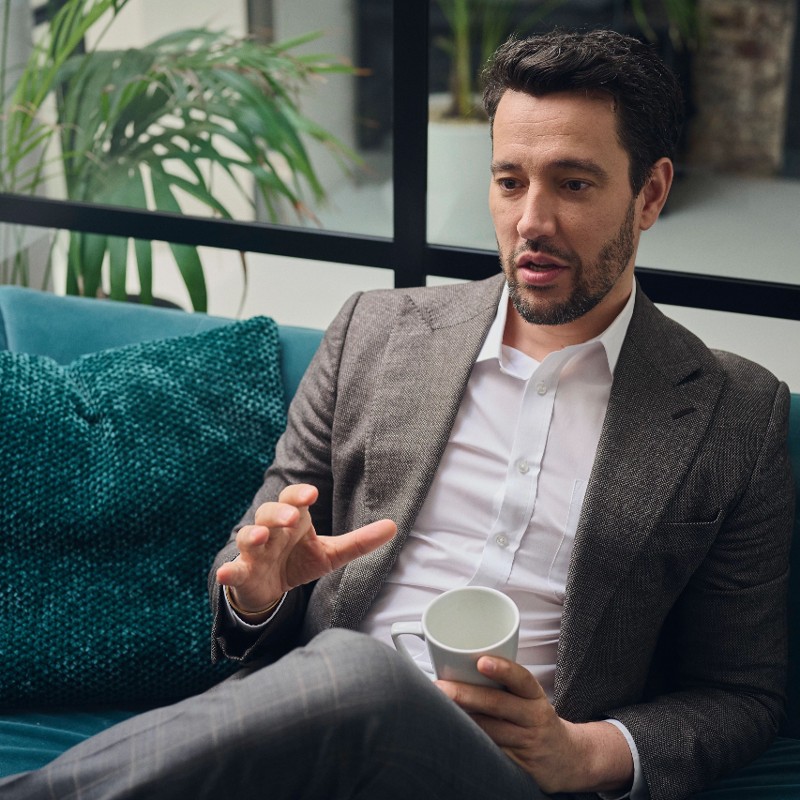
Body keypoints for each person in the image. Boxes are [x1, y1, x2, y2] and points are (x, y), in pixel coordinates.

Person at [1, 28, 793, 800]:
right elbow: (248, 580)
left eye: (574, 184)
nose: (531, 223)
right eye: (510, 181)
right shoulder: (374, 334)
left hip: (502, 773)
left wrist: (581, 752)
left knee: (367, 674)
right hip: (305, 734)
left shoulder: (734, 416)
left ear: (649, 193)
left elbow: (741, 694)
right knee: (353, 676)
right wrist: (259, 591)